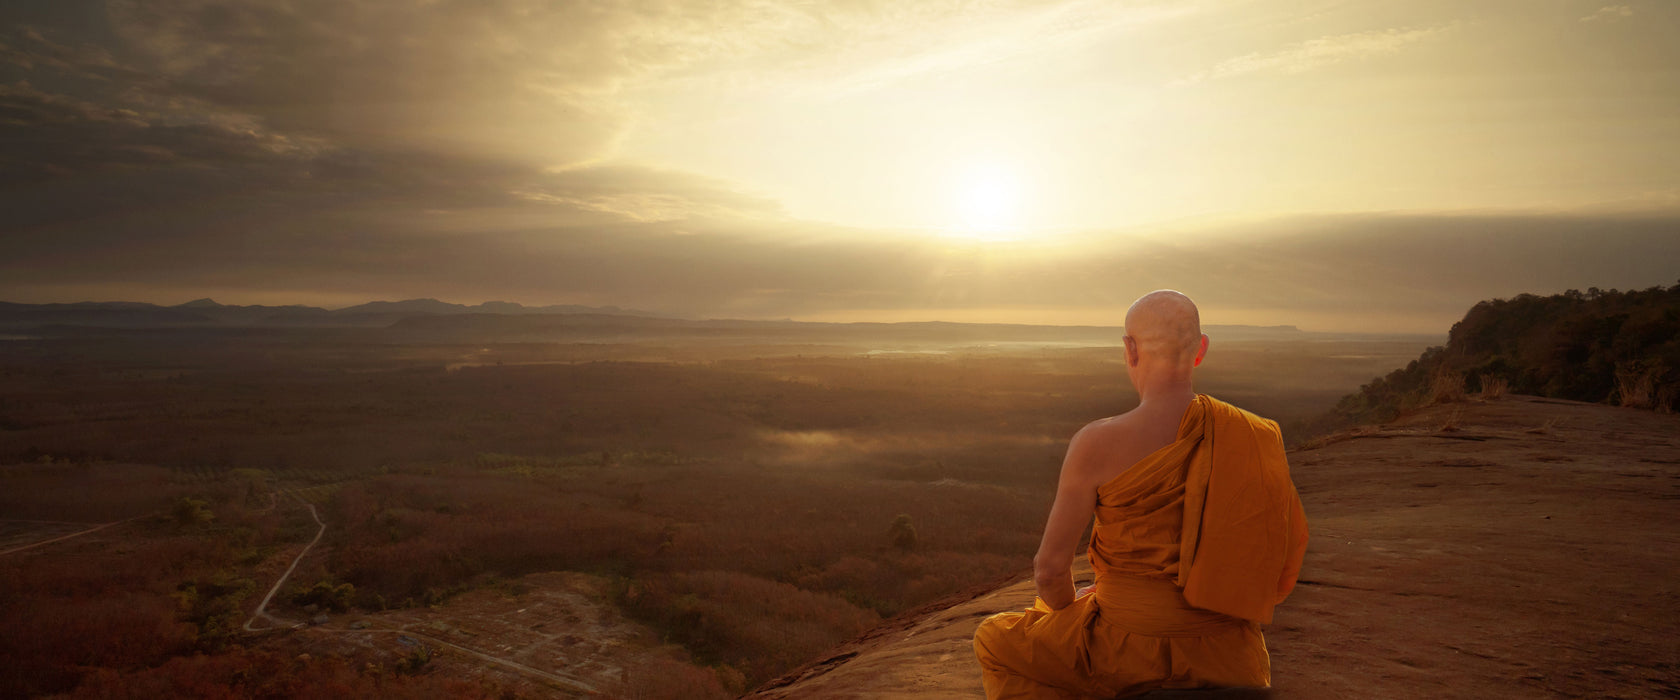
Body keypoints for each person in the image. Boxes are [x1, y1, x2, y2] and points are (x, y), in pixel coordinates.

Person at [972, 289, 1309, 699]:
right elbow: (1280, 564)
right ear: (1200, 350)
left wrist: (1075, 610)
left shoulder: (1096, 442)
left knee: (994, 639)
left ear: (1130, 350)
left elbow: (1048, 571)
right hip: (1232, 657)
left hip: (1125, 649)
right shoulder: (1257, 436)